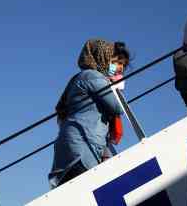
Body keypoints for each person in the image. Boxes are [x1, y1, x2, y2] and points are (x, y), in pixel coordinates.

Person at [49, 39, 130, 188]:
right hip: (81, 148)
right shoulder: (93, 76)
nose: (119, 68)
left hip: (76, 145)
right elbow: (117, 107)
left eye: (122, 65)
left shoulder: (84, 76)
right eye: (115, 62)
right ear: (102, 57)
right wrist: (115, 85)